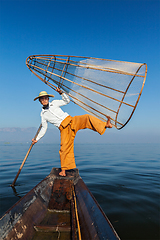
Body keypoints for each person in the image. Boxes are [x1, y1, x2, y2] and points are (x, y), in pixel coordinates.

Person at [32, 87, 112, 176]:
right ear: (40, 101)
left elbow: (66, 101)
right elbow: (44, 128)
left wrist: (61, 93)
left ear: (48, 99)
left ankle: (105, 125)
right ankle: (64, 170)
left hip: (71, 120)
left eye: (46, 98)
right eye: (42, 99)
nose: (44, 100)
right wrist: (37, 139)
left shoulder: (54, 103)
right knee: (64, 148)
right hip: (64, 129)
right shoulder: (43, 114)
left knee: (87, 117)